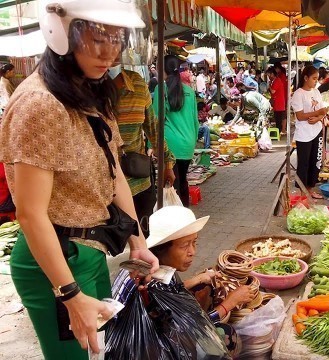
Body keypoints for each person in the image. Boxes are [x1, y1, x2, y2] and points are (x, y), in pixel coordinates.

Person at [0, 1, 160, 357]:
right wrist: (69, 295)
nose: (110, 53)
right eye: (97, 38)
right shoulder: (39, 103)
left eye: (117, 39)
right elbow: (30, 214)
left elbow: (113, 170)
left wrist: (137, 239)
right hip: (55, 264)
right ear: (60, 31)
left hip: (89, 252)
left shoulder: (90, 91)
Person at [112, 206, 253, 357]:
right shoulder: (151, 285)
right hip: (147, 350)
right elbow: (188, 331)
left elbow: (172, 290)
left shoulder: (147, 267)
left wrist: (197, 279)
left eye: (194, 242)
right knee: (226, 335)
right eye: (185, 245)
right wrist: (229, 303)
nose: (192, 252)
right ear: (160, 249)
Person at [111, 66, 176, 237]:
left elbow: (153, 127)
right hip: (105, 189)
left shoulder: (137, 84)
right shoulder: (84, 90)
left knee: (145, 241)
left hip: (138, 180)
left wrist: (167, 163)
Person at [153, 55, 199, 207]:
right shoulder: (190, 91)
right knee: (182, 181)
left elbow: (155, 120)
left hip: (170, 145)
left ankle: (176, 221)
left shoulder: (161, 89)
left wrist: (150, 145)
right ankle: (185, 216)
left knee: (171, 184)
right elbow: (195, 121)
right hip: (188, 143)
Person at [291, 66, 329, 199]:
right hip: (304, 134)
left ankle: (311, 189)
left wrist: (319, 117)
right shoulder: (298, 94)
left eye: (316, 78)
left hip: (317, 131)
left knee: (316, 161)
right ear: (305, 78)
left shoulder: (316, 92)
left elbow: (323, 111)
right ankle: (303, 192)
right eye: (313, 78)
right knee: (304, 163)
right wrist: (317, 113)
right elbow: (300, 116)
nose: (315, 81)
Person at [267, 67, 287, 135]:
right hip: (277, 102)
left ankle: (279, 131)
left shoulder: (277, 81)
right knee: (277, 117)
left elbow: (273, 91)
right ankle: (278, 131)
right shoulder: (275, 81)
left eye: (269, 75)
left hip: (279, 102)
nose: (269, 77)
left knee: (278, 118)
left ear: (272, 74)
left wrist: (269, 85)